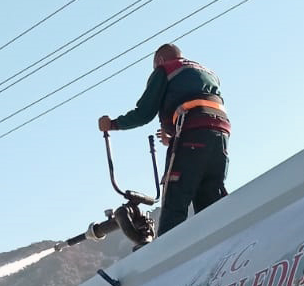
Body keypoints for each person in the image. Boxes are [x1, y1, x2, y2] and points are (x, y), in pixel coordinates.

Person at [99, 44, 230, 235]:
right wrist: (176, 138)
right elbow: (201, 106)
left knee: (175, 200)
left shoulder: (166, 69)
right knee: (211, 198)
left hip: (192, 135)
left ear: (159, 60)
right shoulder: (206, 72)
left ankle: (168, 252)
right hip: (220, 137)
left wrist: (113, 124)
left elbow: (144, 113)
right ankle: (220, 245)